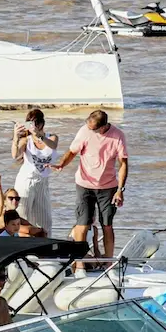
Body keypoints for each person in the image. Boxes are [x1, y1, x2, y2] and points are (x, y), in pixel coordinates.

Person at [60, 109, 128, 259]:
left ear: (103, 127)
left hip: (108, 187)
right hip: (84, 184)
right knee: (82, 224)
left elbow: (123, 163)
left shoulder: (118, 135)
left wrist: (120, 190)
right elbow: (72, 152)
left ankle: (109, 263)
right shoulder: (84, 131)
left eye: (93, 129)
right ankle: (79, 264)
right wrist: (61, 164)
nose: (89, 130)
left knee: (107, 225)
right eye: (88, 126)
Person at [10, 108, 59, 235]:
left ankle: (45, 252)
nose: (34, 126)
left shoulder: (52, 137)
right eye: (31, 123)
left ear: (42, 123)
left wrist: (40, 136)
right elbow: (15, 155)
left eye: (36, 123)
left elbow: (53, 146)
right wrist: (15, 137)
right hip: (26, 181)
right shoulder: (26, 140)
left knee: (45, 222)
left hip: (42, 182)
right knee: (22, 218)